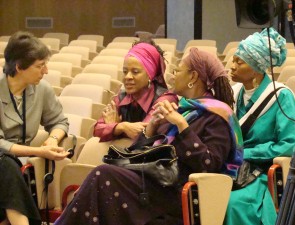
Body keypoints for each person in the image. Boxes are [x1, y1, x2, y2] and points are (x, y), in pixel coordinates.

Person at [54, 48, 243, 225]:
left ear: (193, 76)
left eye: (178, 70)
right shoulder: (185, 109)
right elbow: (141, 154)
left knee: (103, 175)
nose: (172, 75)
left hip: (181, 193)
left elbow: (209, 164)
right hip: (157, 184)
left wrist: (182, 126)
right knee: (103, 179)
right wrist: (152, 128)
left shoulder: (217, 116)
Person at [224, 27, 295, 225]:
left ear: (256, 68)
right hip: (232, 166)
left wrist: (247, 153)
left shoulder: (281, 96)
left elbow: (290, 145)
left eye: (239, 62)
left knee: (233, 202)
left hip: (261, 173)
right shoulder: (234, 92)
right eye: (234, 60)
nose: (232, 66)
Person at [0, 31, 70, 225]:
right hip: (4, 159)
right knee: (4, 164)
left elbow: (59, 121)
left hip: (18, 160)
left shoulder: (42, 89)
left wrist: (53, 139)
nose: (45, 71)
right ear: (19, 67)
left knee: (7, 168)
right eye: (40, 66)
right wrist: (39, 151)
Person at [93, 41, 178, 142]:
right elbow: (97, 130)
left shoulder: (165, 98)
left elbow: (143, 134)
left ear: (150, 75)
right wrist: (121, 127)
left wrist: (113, 128)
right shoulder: (122, 96)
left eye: (135, 72)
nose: (127, 77)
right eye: (125, 72)